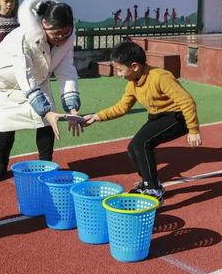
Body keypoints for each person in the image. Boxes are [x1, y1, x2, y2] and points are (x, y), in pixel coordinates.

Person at [83, 41, 202, 203]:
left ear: (135, 66)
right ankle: (149, 183)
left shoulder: (160, 77)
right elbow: (122, 107)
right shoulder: (133, 84)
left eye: (120, 70)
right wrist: (97, 116)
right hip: (157, 116)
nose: (118, 74)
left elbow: (187, 101)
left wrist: (193, 130)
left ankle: (153, 188)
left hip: (177, 117)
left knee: (142, 143)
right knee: (133, 148)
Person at [0, 0, 81, 182]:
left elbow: (66, 71)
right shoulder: (24, 37)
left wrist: (72, 107)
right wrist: (45, 110)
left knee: (47, 122)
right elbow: (23, 73)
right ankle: (1, 164)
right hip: (3, 83)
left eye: (65, 32)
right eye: (56, 32)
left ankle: (47, 166)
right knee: (4, 125)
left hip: (37, 79)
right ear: (43, 23)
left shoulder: (67, 41)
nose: (60, 37)